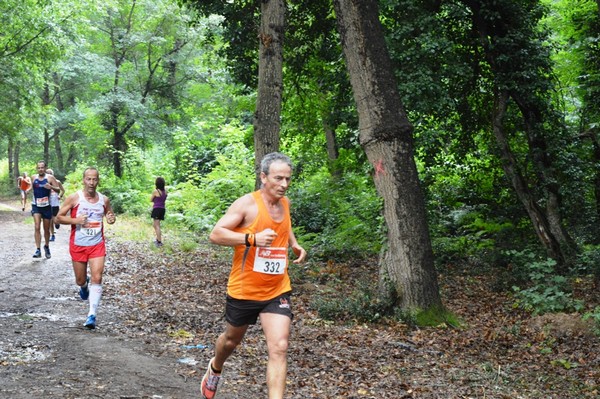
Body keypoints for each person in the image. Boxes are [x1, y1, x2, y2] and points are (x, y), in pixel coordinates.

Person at [202, 152, 307, 399]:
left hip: (277, 288)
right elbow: (216, 235)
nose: (284, 184)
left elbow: (285, 225)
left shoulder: (285, 203)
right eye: (279, 178)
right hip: (245, 289)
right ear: (263, 177)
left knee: (279, 347)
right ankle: (215, 367)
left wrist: (294, 243)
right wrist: (252, 239)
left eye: (288, 179)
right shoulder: (247, 205)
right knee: (230, 341)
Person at [56, 167, 116, 329]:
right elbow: (58, 218)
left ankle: (92, 315)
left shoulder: (104, 200)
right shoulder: (74, 198)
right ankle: (84, 286)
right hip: (78, 245)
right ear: (83, 180)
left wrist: (111, 218)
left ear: (98, 181)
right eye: (88, 179)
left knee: (98, 277)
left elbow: (110, 216)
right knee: (80, 280)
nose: (91, 182)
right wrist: (76, 221)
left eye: (94, 179)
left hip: (97, 245)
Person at [31, 161, 61, 259]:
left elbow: (58, 189)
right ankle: (38, 249)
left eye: (42, 167)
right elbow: (32, 188)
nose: (40, 169)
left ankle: (46, 246)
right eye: (39, 168)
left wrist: (51, 186)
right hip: (36, 205)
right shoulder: (33, 178)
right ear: (37, 168)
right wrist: (27, 190)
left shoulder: (50, 178)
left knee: (46, 229)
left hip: (47, 206)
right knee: (36, 226)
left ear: (45, 168)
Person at [46, 168, 65, 242]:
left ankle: (57, 222)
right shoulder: (45, 183)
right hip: (48, 203)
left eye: (50, 173)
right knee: (50, 219)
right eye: (47, 174)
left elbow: (63, 190)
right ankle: (52, 235)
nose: (49, 175)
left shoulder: (57, 182)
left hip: (55, 202)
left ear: (53, 174)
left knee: (54, 218)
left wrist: (60, 196)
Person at [150, 176, 167, 247]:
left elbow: (151, 199)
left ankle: (159, 242)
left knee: (156, 225)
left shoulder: (156, 191)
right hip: (162, 209)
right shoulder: (165, 192)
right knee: (156, 225)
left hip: (157, 209)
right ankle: (158, 239)